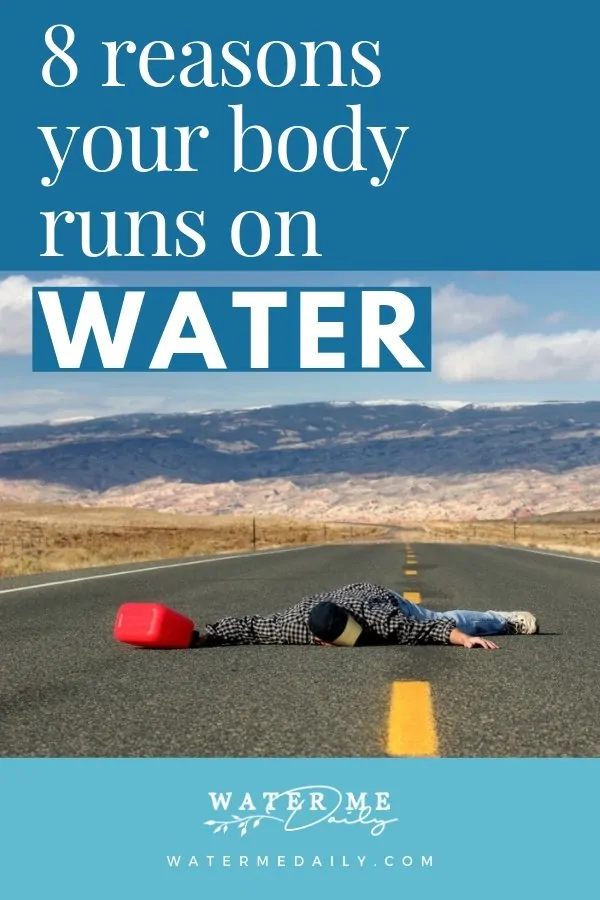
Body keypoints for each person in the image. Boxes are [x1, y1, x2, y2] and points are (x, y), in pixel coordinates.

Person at [193, 582, 538, 649]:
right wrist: (206, 635)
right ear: (319, 639)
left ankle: (501, 619)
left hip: (381, 597)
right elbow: (250, 627)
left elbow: (430, 629)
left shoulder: (382, 619)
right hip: (337, 600)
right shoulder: (292, 626)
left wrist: (464, 640)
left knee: (444, 617)